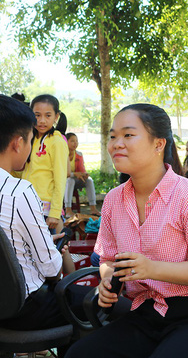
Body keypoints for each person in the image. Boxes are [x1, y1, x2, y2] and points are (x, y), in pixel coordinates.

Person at [65, 103, 188, 358]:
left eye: (128, 135)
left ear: (159, 144)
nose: (116, 143)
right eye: (113, 136)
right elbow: (107, 260)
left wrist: (151, 268)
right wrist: (107, 279)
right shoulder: (114, 201)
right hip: (149, 312)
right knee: (79, 355)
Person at [0, 95, 79, 347]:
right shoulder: (18, 191)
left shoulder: (56, 142)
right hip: (20, 310)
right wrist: (50, 248)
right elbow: (51, 268)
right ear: (18, 143)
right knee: (89, 302)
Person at [21, 94, 69, 233]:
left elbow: (60, 178)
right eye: (37, 115)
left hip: (46, 209)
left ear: (56, 116)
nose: (42, 120)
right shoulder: (30, 138)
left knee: (48, 251)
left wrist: (54, 212)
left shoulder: (57, 142)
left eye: (48, 115)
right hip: (28, 202)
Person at [64, 133, 100, 218]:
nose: (75, 143)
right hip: (64, 180)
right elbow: (62, 173)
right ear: (66, 142)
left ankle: (93, 208)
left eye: (76, 141)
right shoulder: (62, 154)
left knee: (89, 180)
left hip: (75, 180)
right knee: (70, 180)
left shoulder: (79, 154)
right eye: (72, 141)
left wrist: (84, 175)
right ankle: (68, 210)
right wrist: (74, 174)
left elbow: (81, 170)